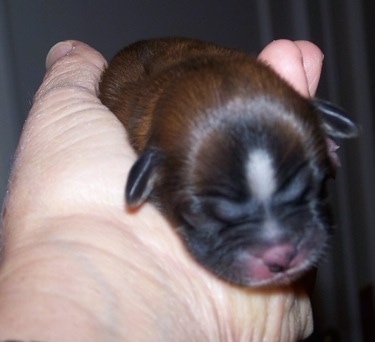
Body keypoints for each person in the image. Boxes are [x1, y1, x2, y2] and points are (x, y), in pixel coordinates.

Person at [0, 39, 323, 341]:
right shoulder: (136, 135)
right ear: (145, 176)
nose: (280, 249)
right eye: (217, 212)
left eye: (299, 192)